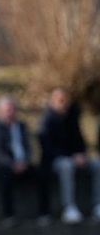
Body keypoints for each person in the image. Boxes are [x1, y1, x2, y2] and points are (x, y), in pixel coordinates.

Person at [0, 94, 50, 226]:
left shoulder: (21, 125)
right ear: (0, 111)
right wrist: (12, 164)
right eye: (8, 110)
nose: (11, 113)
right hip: (3, 165)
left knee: (42, 174)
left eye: (13, 109)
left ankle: (44, 214)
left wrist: (25, 162)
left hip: (22, 164)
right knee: (5, 178)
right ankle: (9, 215)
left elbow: (29, 147)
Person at [36, 87, 100, 224]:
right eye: (60, 101)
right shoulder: (47, 121)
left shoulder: (72, 117)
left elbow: (79, 140)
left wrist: (82, 154)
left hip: (75, 158)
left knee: (97, 164)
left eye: (66, 101)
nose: (64, 103)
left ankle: (97, 205)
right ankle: (69, 207)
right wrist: (71, 157)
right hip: (54, 161)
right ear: (53, 102)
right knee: (67, 166)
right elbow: (48, 149)